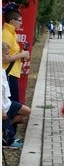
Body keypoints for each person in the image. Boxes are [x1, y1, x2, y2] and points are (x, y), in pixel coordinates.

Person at [2, 9, 30, 148]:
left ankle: (9, 135)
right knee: (11, 106)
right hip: (8, 74)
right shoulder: (6, 35)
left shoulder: (11, 33)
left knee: (14, 105)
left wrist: (21, 55)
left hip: (13, 73)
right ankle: (7, 137)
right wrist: (21, 55)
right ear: (12, 21)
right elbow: (5, 58)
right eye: (19, 21)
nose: (21, 23)